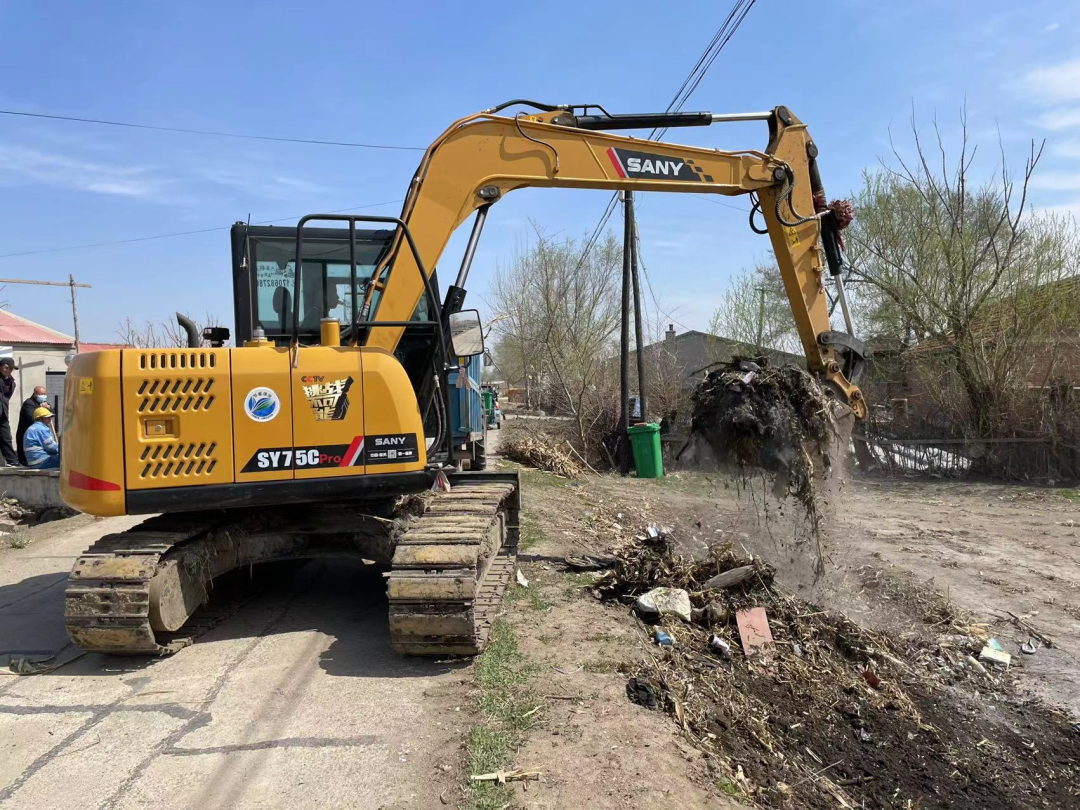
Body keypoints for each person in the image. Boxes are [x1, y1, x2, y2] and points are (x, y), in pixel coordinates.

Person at [16, 386, 48, 466]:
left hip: (38, 434)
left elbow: (50, 414)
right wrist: (41, 409)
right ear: (35, 394)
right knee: (25, 454)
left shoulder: (44, 403)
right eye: (41, 394)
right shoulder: (29, 403)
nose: (43, 396)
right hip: (26, 433)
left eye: (44, 394)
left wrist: (48, 408)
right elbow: (31, 416)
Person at [0, 357, 19, 466]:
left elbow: (6, 398)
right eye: (6, 368)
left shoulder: (11, 383)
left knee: (6, 436)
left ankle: (12, 460)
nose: (8, 370)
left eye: (11, 369)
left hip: (3, 413)